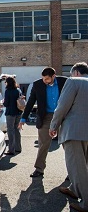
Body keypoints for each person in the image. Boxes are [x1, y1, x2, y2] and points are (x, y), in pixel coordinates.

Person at [49, 62, 88, 212]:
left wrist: (53, 126)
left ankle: (85, 203)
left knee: (77, 168)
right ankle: (74, 189)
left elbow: (62, 106)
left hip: (75, 131)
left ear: (76, 72)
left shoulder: (74, 81)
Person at [18, 67, 67, 178]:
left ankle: (72, 172)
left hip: (64, 116)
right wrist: (23, 118)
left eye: (47, 79)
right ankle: (39, 169)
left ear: (54, 76)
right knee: (43, 144)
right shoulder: (38, 84)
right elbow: (30, 101)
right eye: (43, 78)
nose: (45, 81)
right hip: (46, 117)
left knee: (67, 145)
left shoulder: (64, 82)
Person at [3, 77, 22, 155]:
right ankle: (18, 148)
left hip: (10, 112)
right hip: (18, 112)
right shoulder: (17, 90)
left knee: (10, 131)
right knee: (17, 130)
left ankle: (11, 150)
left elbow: (6, 104)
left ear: (8, 83)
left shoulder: (7, 91)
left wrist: (3, 102)